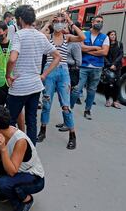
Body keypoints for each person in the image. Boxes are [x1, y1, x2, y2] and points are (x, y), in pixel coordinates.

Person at [6, 5, 61, 145]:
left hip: (19, 86)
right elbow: (57, 56)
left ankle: (10, 150)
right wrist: (43, 75)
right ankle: (31, 152)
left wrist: (8, 75)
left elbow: (12, 58)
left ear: (19, 19)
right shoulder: (40, 36)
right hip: (35, 86)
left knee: (10, 120)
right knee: (31, 120)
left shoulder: (19, 35)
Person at [0, 106, 45, 211]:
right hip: (14, 168)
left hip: (33, 177)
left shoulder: (20, 141)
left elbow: (12, 172)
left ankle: (26, 199)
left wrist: (3, 148)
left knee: (3, 184)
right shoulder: (1, 133)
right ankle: (6, 194)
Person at [37, 13, 85, 150]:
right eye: (56, 21)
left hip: (63, 71)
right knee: (46, 103)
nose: (59, 23)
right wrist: (47, 23)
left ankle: (72, 135)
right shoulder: (48, 37)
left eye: (61, 21)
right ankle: (43, 130)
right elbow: (39, 35)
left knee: (66, 105)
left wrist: (70, 21)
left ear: (64, 23)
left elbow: (82, 37)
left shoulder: (67, 37)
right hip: (49, 70)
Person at [70, 15, 109, 120]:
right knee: (76, 89)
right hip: (83, 66)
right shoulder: (84, 34)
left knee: (92, 90)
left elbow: (104, 52)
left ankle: (87, 110)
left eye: (101, 21)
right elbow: (81, 48)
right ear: (92, 22)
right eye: (97, 21)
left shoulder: (105, 37)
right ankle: (69, 109)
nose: (99, 23)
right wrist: (96, 48)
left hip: (97, 67)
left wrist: (89, 50)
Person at [55, 21, 83, 132]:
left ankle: (68, 125)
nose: (62, 28)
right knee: (63, 101)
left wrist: (62, 59)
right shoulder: (63, 41)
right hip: (62, 71)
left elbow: (79, 62)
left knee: (66, 102)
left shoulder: (74, 44)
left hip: (70, 73)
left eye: (65, 27)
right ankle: (66, 122)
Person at [104, 30, 123, 109]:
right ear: (108, 36)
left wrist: (114, 64)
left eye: (114, 34)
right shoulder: (106, 44)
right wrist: (109, 65)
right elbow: (104, 56)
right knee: (108, 84)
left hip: (117, 67)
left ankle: (115, 101)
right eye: (111, 34)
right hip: (108, 67)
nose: (113, 36)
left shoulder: (119, 44)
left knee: (117, 84)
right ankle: (108, 100)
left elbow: (121, 54)